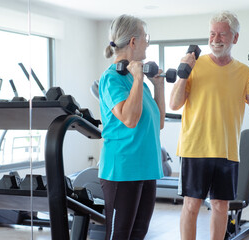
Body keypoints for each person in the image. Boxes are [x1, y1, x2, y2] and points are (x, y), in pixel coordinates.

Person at [169, 11, 249, 240]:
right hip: (195, 147)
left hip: (226, 149)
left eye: (222, 34)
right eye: (212, 34)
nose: (216, 39)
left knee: (221, 206)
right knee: (191, 205)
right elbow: (175, 103)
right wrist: (184, 71)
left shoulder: (244, 72)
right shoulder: (195, 66)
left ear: (235, 38)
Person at [98, 14, 165, 240]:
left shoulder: (139, 83)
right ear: (134, 42)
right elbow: (129, 119)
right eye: (146, 38)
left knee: (138, 234)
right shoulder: (112, 79)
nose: (148, 42)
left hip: (145, 168)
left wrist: (158, 86)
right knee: (120, 236)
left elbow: (159, 123)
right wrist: (138, 79)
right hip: (122, 170)